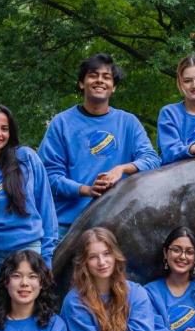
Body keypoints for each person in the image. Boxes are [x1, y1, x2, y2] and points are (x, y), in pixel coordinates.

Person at [38, 54, 161, 238]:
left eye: (106, 77)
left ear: (114, 87)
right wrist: (86, 190)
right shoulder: (61, 123)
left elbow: (152, 160)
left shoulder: (128, 122)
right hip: (68, 225)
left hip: (116, 221)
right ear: (81, 83)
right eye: (93, 75)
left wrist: (121, 169)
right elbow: (48, 176)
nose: (100, 81)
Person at [0, 103, 57, 293]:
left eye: (4, 129)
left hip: (27, 249)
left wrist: (46, 258)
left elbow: (46, 209)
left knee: (26, 313)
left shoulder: (27, 159)